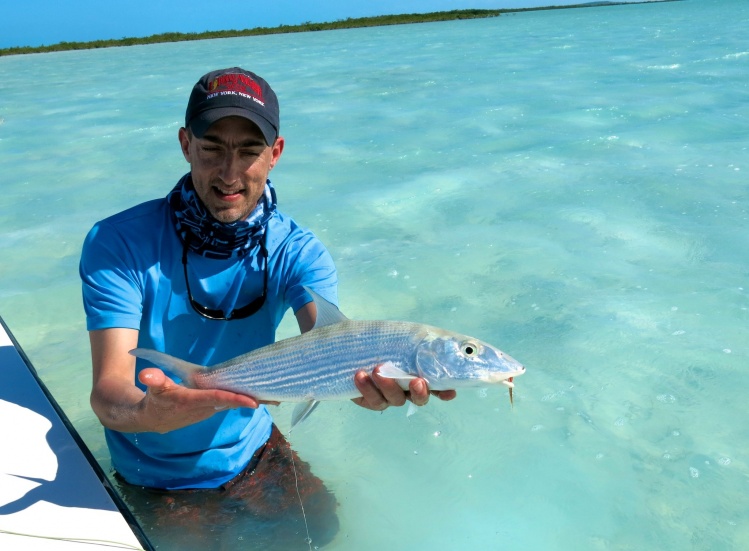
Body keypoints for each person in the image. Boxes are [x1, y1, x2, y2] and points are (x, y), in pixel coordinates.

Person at [80, 67, 455, 546]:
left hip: (254, 450)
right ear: (185, 144)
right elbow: (109, 392)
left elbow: (329, 344)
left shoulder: (299, 251)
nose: (230, 173)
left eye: (250, 150)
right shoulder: (117, 242)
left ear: (275, 154)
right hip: (153, 470)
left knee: (321, 531)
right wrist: (151, 417)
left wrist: (366, 384)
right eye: (212, 147)